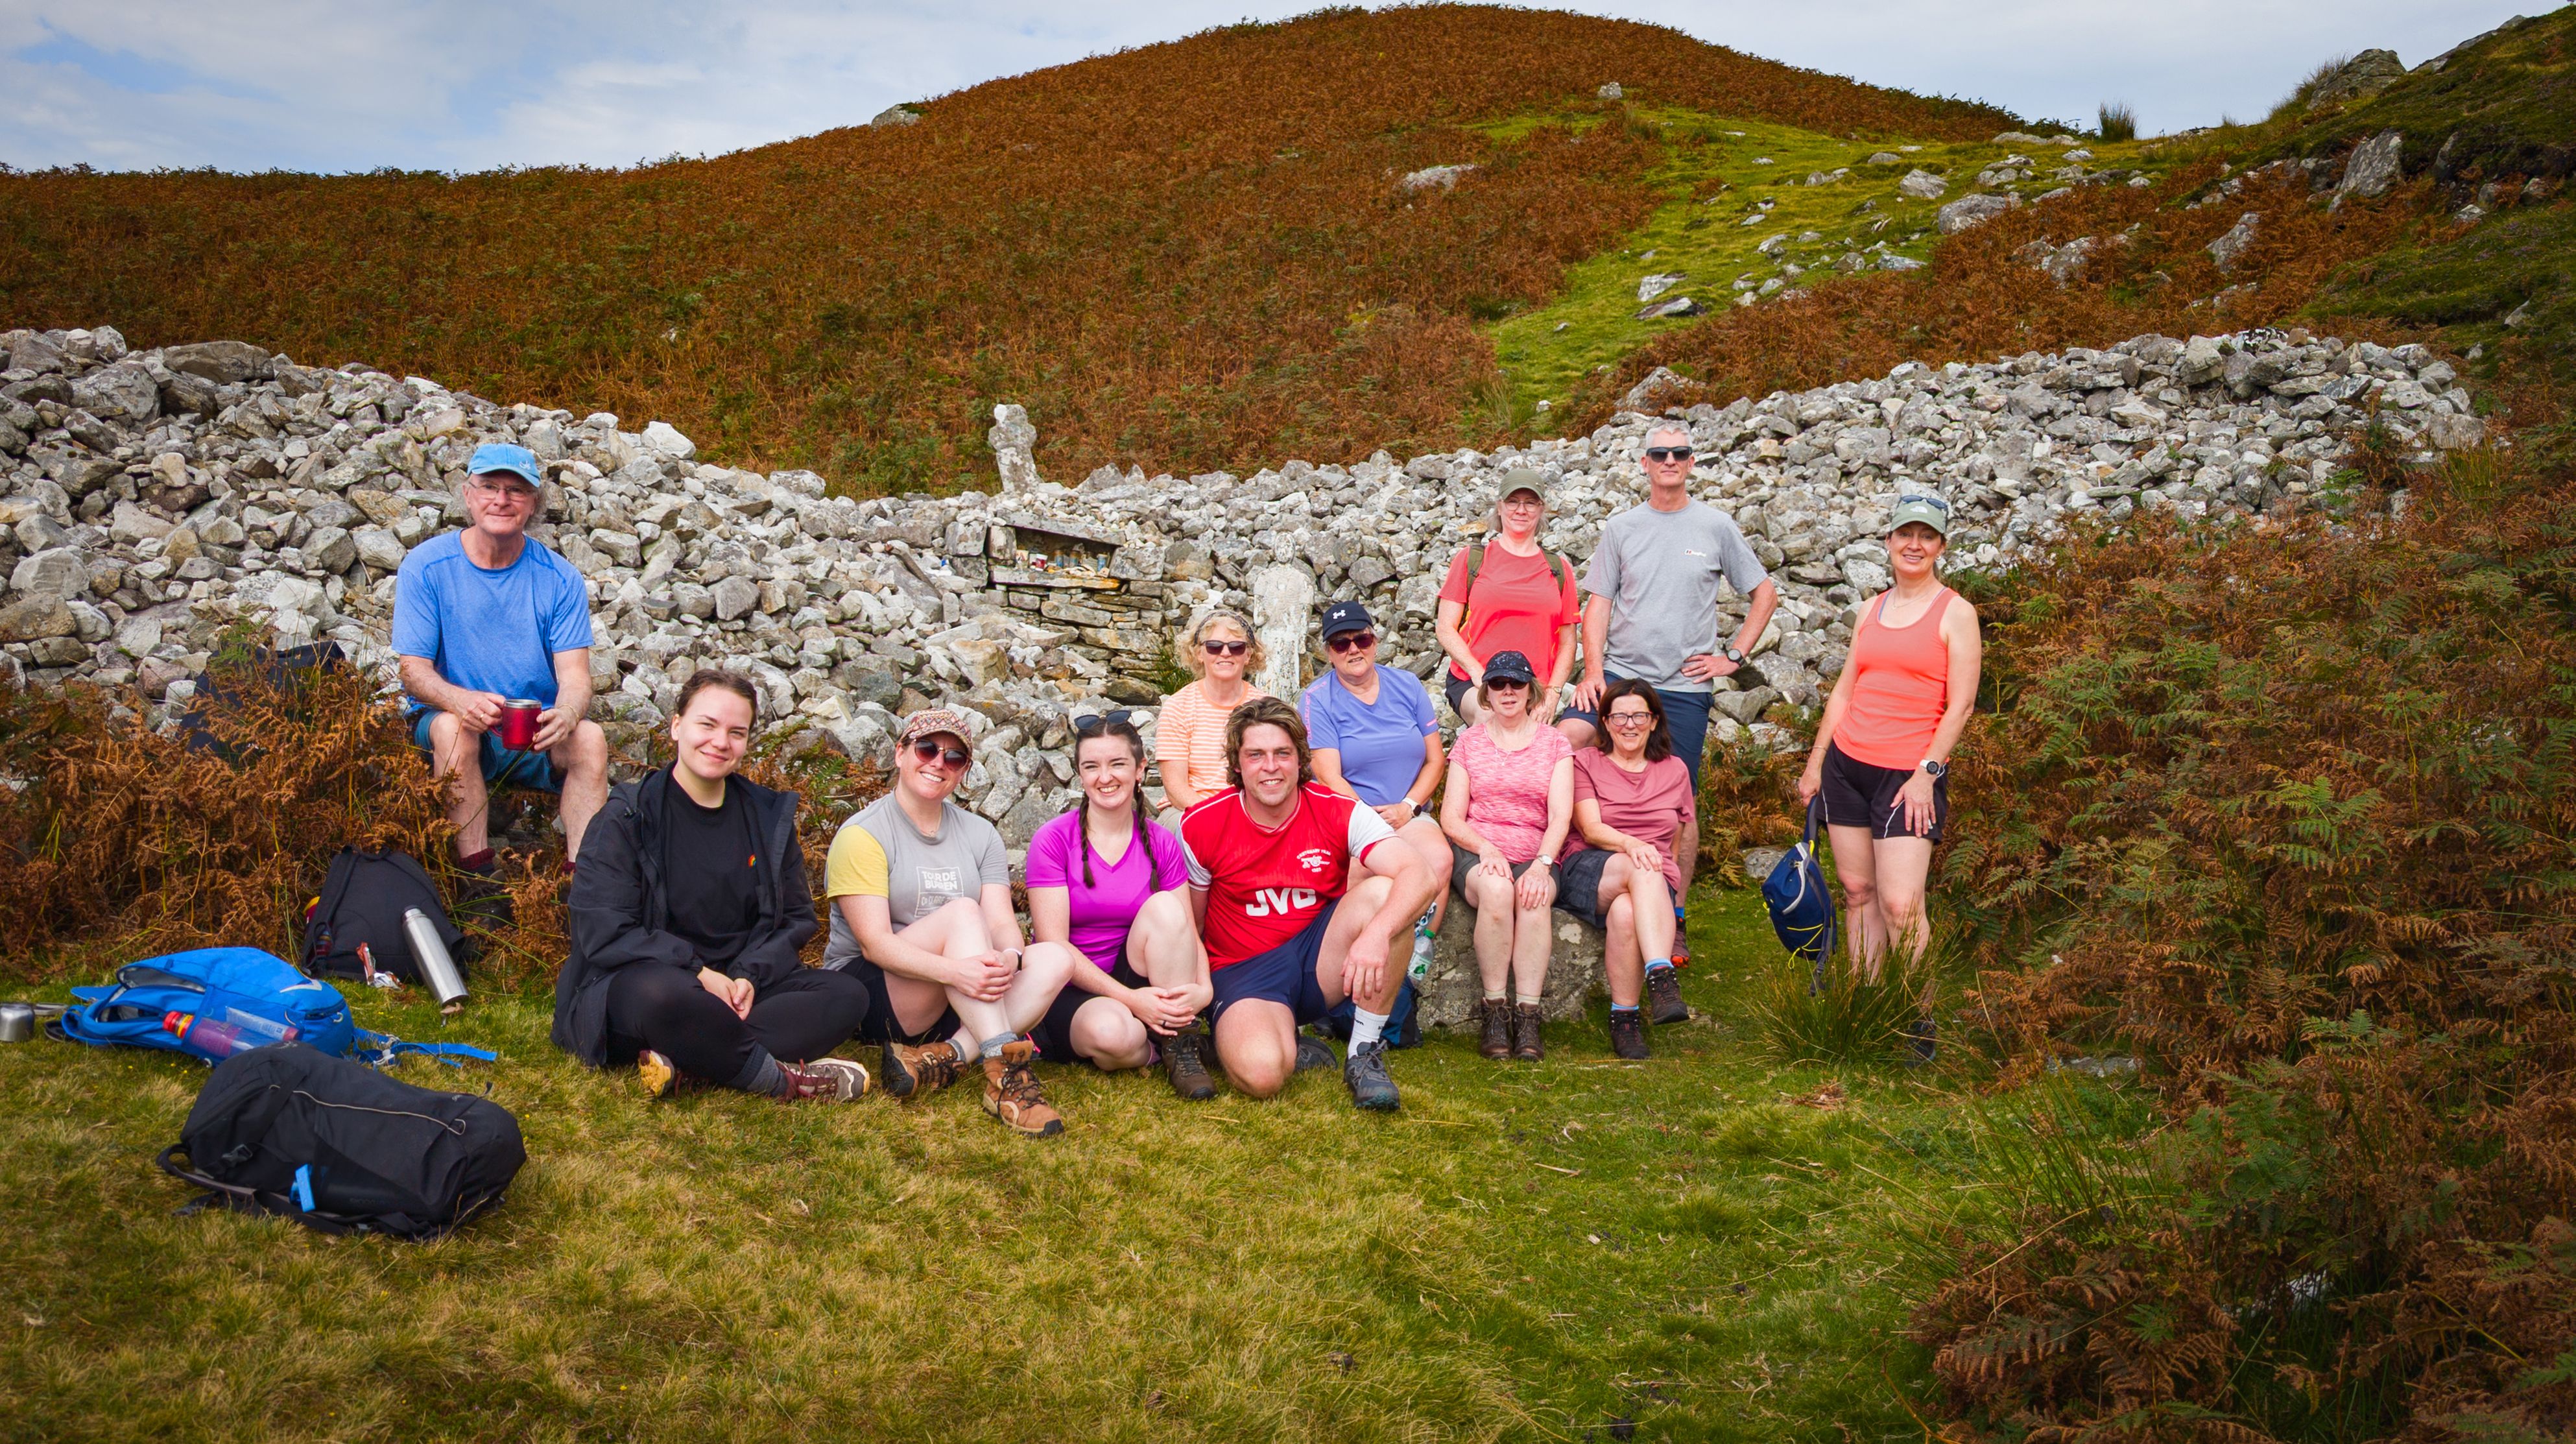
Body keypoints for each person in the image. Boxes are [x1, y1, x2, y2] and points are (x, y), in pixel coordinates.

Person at [554, 669, 874, 1101]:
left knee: (847, 995)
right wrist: (700, 974)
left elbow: (797, 919)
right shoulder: (628, 817)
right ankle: (778, 1081)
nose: (720, 742)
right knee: (665, 997)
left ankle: (693, 1062)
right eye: (707, 725)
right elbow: (604, 931)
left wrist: (747, 978)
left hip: (741, 990)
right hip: (654, 985)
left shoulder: (767, 819)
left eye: (736, 732)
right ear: (676, 725)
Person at [1568, 421, 1781, 959]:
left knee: (1679, 803)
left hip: (1683, 690)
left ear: (1691, 461)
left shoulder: (1716, 526)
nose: (1669, 461)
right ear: (1644, 463)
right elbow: (1598, 605)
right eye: (1659, 453)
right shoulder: (1622, 528)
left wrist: (1731, 658)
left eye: (1679, 453)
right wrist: (1593, 673)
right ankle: (1589, 879)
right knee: (1570, 752)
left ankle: (1674, 910)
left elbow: (1763, 593)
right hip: (1620, 677)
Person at [824, 708, 1077, 1137]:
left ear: (963, 773)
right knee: (963, 911)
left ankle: (945, 1054)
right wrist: (959, 972)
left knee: (1054, 958)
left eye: (955, 757)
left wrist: (1010, 958)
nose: (938, 762)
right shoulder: (862, 834)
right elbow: (874, 944)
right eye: (926, 749)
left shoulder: (980, 835)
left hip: (956, 989)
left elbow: (1001, 921)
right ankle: (1007, 1076)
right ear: (901, 753)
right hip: (875, 989)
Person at [1180, 697, 1437, 1111]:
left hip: (1319, 959)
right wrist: (1201, 999)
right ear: (1237, 763)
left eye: (1283, 753)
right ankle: (1261, 1040)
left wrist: (1376, 935)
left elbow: (1420, 874)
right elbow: (1190, 926)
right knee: (1262, 1076)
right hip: (1245, 971)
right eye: (1256, 755)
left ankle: (1364, 1054)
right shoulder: (1202, 823)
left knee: (1387, 895)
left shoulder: (1338, 810)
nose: (1271, 766)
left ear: (1301, 758)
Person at [1798, 496, 1983, 1024]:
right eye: (1906, 534)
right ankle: (1866, 1012)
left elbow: (1961, 703)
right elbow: (1844, 692)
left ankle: (1917, 1020)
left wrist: (1929, 773)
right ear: (1888, 542)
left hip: (1908, 777)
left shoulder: (1956, 612)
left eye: (1927, 536)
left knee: (1903, 905)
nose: (1915, 545)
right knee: (1858, 893)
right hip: (1846, 766)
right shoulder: (1871, 608)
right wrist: (1816, 762)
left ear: (1942, 547)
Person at [395, 442, 612, 873]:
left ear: (533, 504)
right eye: (489, 486)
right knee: (456, 729)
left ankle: (582, 886)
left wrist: (567, 714)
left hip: (531, 729)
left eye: (516, 491)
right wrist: (459, 700)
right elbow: (413, 670)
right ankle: (475, 877)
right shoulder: (426, 567)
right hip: (450, 721)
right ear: (467, 494)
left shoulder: (559, 578)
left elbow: (575, 676)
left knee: (590, 740)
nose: (501, 499)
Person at [1023, 711, 1217, 1100]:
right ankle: (1152, 1046)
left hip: (1138, 974)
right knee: (1114, 1037)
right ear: (1080, 774)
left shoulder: (1162, 842)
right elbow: (1053, 945)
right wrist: (1130, 1002)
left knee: (1165, 906)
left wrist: (1205, 989)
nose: (1105, 777)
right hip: (1073, 987)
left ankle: (1180, 1043)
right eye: (1091, 766)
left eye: (1117, 764)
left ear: (1141, 769)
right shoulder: (1053, 840)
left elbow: (1183, 927)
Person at [1438, 649, 1575, 1063]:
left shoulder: (1556, 743)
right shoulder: (1469, 742)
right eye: (1498, 684)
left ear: (1532, 691)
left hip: (1538, 852)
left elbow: (1560, 816)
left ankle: (1529, 1015)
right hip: (1478, 850)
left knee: (1533, 898)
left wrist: (1542, 865)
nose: (1508, 691)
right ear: (1486, 693)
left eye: (1517, 683)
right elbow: (1450, 816)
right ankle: (1495, 1010)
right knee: (1498, 892)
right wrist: (1486, 848)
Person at [1301, 600, 1449, 981]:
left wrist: (1409, 806)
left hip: (1408, 810)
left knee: (1439, 859)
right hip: (1353, 815)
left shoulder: (1407, 685)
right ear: (1328, 652)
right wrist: (1370, 820)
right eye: (1340, 643)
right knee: (1360, 871)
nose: (1353, 649)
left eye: (1361, 638)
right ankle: (1336, 967)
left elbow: (1436, 760)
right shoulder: (1318, 699)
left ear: (1375, 641)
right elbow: (1329, 775)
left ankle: (1418, 950)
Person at [1558, 680, 1696, 1060]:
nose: (1629, 724)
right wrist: (1634, 844)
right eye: (1619, 716)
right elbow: (1590, 828)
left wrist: (1653, 861)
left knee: (1626, 912)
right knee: (1643, 869)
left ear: (1653, 721)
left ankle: (1625, 1020)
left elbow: (1675, 842)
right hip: (1592, 866)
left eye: (1639, 715)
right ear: (1605, 721)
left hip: (1649, 879)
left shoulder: (1675, 770)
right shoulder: (1586, 762)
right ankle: (1662, 976)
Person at [1435, 468, 1582, 738]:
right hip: (1475, 680)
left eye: (1530, 502)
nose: (1521, 510)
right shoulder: (1471, 559)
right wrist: (1478, 673)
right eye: (1513, 501)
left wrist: (1552, 694)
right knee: (1491, 722)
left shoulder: (1558, 569)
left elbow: (1568, 641)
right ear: (1500, 507)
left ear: (1541, 510)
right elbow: (1445, 628)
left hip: (1534, 687)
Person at [1154, 610, 1270, 819]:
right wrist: (1219, 818)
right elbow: (1176, 788)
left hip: (1253, 811)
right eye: (1214, 647)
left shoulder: (1267, 707)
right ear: (1199, 653)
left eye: (1236, 647)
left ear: (1249, 655)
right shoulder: (1178, 706)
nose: (1225, 653)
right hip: (1189, 810)